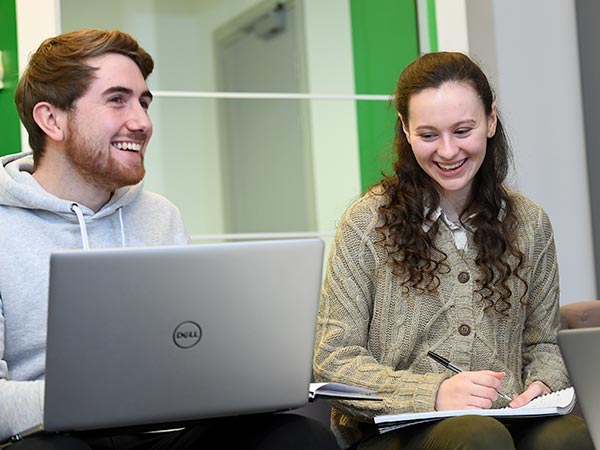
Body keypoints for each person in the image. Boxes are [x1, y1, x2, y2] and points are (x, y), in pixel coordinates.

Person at [0, 28, 339, 450]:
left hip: (165, 433)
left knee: (298, 437)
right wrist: (97, 398)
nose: (142, 122)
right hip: (50, 435)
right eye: (116, 99)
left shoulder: (160, 215)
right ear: (52, 119)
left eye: (144, 102)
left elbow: (189, 346)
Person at [312, 51, 594, 450]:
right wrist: (435, 393)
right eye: (429, 135)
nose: (447, 151)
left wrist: (542, 384)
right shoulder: (366, 222)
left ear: (491, 121)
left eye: (463, 131)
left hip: (505, 416)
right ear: (406, 131)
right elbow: (333, 359)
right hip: (391, 431)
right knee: (478, 436)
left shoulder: (531, 223)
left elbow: (543, 344)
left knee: (567, 436)